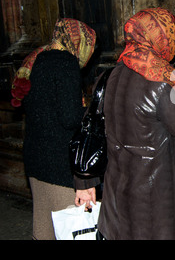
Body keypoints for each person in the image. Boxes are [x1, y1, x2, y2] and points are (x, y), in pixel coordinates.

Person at [75, 7, 175, 240]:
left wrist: (84, 181)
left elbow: (90, 126)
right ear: (161, 37)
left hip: (115, 200)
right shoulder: (162, 82)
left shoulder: (108, 77)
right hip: (152, 209)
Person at [10, 18, 97, 240]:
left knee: (43, 228)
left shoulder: (38, 59)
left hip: (35, 161)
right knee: (72, 229)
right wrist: (90, 111)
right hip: (59, 165)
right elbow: (69, 118)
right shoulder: (66, 63)